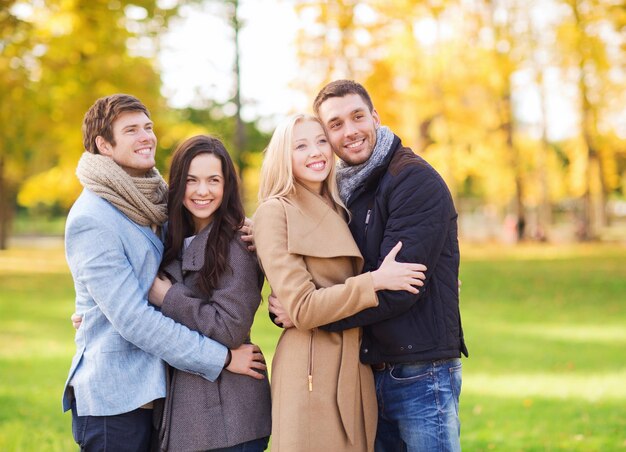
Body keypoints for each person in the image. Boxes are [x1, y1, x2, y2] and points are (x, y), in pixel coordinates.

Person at [271, 80, 468, 451]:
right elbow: (329, 272)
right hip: (366, 370)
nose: (350, 131)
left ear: (375, 117)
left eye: (357, 117)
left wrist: (309, 313)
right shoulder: (344, 190)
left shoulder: (412, 180)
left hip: (420, 372)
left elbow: (398, 289)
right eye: (336, 124)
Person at [63, 94, 264, 451]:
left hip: (161, 400)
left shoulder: (150, 205)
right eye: (131, 130)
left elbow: (206, 223)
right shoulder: (93, 217)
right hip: (117, 401)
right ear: (104, 145)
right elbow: (133, 319)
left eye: (148, 127)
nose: (146, 137)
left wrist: (249, 226)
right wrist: (223, 357)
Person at [253, 114, 427, 452]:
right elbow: (302, 308)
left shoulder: (342, 206)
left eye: (321, 141)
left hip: (354, 365)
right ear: (282, 156)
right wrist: (374, 282)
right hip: (311, 372)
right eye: (300, 145)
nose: (316, 152)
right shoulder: (275, 212)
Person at [147, 135, 271, 451]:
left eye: (213, 180)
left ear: (227, 185)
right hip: (191, 412)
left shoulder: (236, 243)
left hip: (228, 417)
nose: (203, 191)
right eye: (192, 180)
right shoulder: (172, 238)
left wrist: (169, 297)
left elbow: (229, 328)